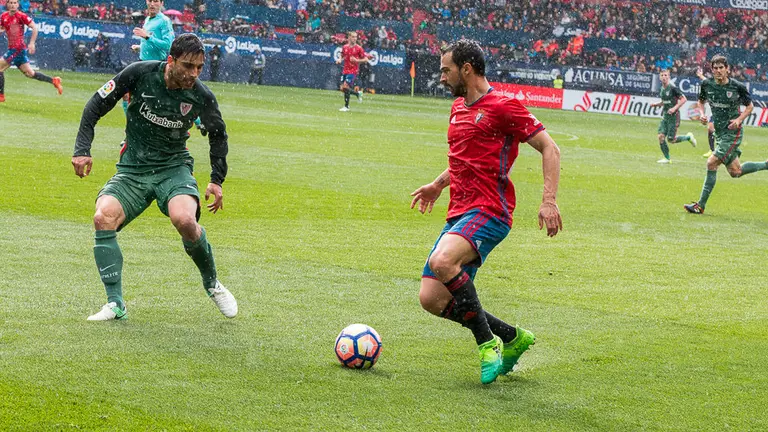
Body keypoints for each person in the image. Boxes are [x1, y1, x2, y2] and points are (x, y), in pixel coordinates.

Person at [410, 40, 562, 384]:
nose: (442, 77)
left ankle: (486, 342)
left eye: (446, 70)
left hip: (491, 210)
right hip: (460, 212)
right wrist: (438, 184)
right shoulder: (457, 108)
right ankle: (511, 337)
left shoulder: (504, 106)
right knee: (432, 299)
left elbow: (549, 147)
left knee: (442, 262)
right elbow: (465, 160)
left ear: (467, 69)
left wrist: (548, 200)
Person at [71, 34, 237, 321]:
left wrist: (216, 180)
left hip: (174, 169)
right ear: (170, 60)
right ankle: (115, 303)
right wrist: (82, 149)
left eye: (199, 67)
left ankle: (212, 283)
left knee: (185, 220)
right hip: (133, 169)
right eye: (188, 66)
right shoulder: (139, 73)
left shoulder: (201, 95)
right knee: (103, 217)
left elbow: (218, 135)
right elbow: (95, 105)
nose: (193, 74)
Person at [684, 55, 768, 214]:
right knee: (735, 172)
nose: (718, 71)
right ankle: (766, 165)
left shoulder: (737, 86)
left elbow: (750, 107)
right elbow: (701, 101)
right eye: (715, 68)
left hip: (732, 132)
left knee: (711, 163)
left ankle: (700, 205)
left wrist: (739, 119)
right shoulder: (707, 84)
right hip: (720, 133)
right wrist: (702, 114)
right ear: (712, 70)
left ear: (727, 69)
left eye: (721, 68)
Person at [0, 0, 63, 103]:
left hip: (18, 48)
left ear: (17, 4)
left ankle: (1, 96)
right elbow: (2, 28)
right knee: (30, 73)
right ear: (6, 4)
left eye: (14, 3)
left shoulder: (21, 16)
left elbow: (34, 27)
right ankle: (53, 81)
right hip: (13, 49)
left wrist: (32, 43)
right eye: (10, 2)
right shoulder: (3, 16)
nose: (12, 5)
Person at [123, 0, 174, 115]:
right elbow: (150, 43)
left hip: (155, 66)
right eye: (150, 0)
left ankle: (195, 122)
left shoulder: (164, 21)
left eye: (155, 1)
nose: (152, 4)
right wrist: (140, 47)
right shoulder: (147, 19)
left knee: (160, 101)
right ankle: (131, 124)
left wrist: (147, 37)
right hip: (142, 63)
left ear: (161, 3)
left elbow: (168, 45)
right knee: (127, 94)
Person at [650, 69, 696, 164]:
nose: (664, 77)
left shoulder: (673, 88)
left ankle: (688, 137)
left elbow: (684, 99)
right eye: (662, 75)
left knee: (671, 140)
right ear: (660, 77)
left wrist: (674, 108)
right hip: (665, 116)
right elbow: (664, 102)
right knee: (660, 136)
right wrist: (656, 104)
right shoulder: (662, 89)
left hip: (674, 117)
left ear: (669, 77)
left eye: (666, 75)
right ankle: (667, 158)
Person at [336, 31, 371, 112]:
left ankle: (348, 105)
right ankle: (355, 96)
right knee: (343, 88)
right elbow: (343, 55)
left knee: (345, 86)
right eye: (353, 37)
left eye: (355, 37)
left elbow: (366, 59)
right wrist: (339, 59)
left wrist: (356, 60)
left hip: (353, 71)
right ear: (349, 38)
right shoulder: (345, 47)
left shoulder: (359, 48)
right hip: (345, 70)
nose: (355, 38)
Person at [697, 66, 716, 158]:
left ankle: (722, 151)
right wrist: (700, 75)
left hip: (726, 112)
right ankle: (712, 150)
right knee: (710, 128)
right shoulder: (710, 83)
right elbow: (706, 80)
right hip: (715, 112)